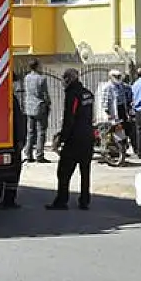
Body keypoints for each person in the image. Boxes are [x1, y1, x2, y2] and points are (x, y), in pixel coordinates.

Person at [46, 68, 96, 211]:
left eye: (64, 78)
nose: (63, 81)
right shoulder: (88, 94)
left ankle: (61, 201)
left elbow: (70, 118)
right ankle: (84, 201)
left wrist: (62, 138)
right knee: (85, 171)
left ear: (69, 79)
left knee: (63, 172)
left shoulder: (73, 95)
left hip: (75, 139)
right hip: (88, 137)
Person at [0, 80, 25, 209]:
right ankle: (9, 200)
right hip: (12, 141)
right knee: (13, 172)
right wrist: (20, 139)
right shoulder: (12, 99)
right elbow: (18, 122)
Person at [22, 59, 51, 163]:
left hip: (29, 107)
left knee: (30, 132)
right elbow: (45, 94)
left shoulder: (27, 78)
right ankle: (39, 155)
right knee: (41, 132)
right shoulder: (41, 79)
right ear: (37, 66)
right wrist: (48, 103)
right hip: (39, 106)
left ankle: (28, 154)